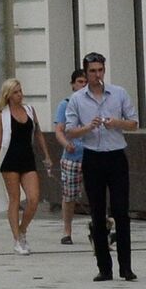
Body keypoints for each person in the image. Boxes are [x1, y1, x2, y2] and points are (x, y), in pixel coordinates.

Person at [66, 52, 140, 283]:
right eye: (92, 71)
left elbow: (134, 123)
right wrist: (88, 127)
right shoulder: (78, 99)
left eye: (100, 70)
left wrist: (117, 123)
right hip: (93, 158)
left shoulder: (118, 94)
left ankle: (126, 267)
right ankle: (104, 267)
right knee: (98, 213)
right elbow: (70, 130)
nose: (97, 75)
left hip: (116, 156)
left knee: (121, 211)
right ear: (85, 73)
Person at [0, 78, 52, 254]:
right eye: (15, 92)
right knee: (14, 199)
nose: (20, 95)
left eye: (20, 91)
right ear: (8, 95)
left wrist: (46, 155)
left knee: (33, 198)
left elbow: (38, 133)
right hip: (10, 159)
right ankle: (17, 239)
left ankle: (22, 229)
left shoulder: (29, 110)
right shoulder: (2, 115)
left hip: (28, 158)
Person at [54, 68, 88, 244]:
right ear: (73, 85)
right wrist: (66, 143)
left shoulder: (94, 103)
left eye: (85, 82)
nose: (83, 85)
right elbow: (59, 130)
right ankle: (67, 230)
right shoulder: (65, 104)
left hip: (92, 155)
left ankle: (99, 227)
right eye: (80, 82)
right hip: (72, 157)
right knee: (69, 195)